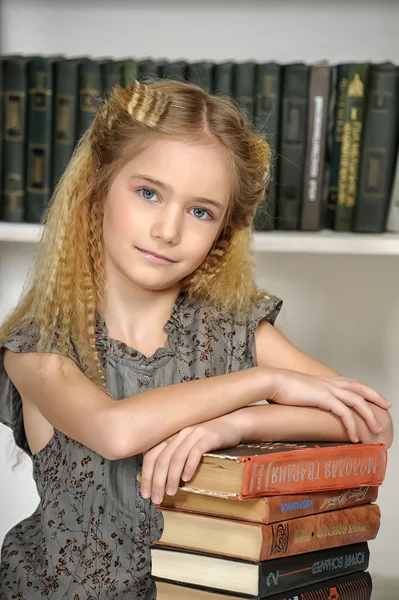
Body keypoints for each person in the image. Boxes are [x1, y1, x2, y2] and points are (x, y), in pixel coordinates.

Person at [0, 78, 393, 600]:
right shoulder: (38, 345)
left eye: (200, 211)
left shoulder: (231, 329)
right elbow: (115, 432)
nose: (167, 230)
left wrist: (238, 422)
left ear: (223, 231)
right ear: (97, 187)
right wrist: (267, 380)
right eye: (148, 193)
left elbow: (375, 423)